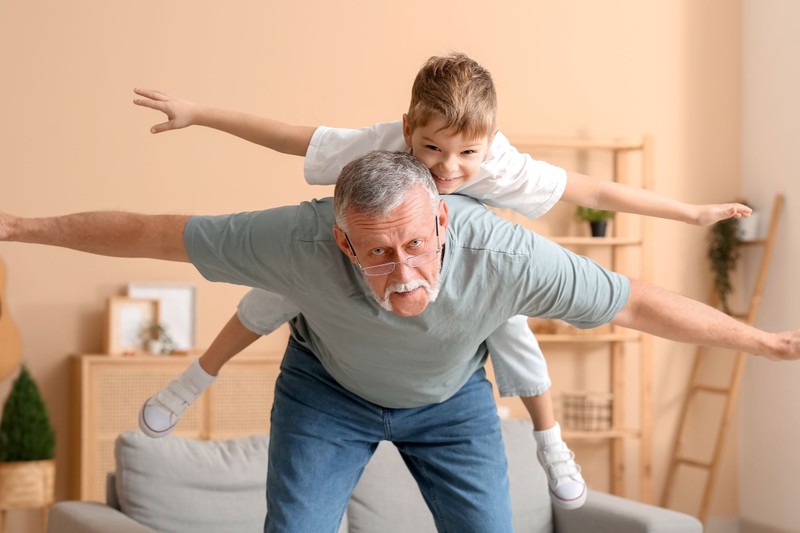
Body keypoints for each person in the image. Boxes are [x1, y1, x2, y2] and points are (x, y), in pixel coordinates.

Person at [1, 150, 796, 532]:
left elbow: (639, 304)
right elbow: (149, 233)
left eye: (416, 244)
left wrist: (763, 343)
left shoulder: (505, 255)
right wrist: (20, 226)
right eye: (377, 251)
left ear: (443, 220)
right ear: (343, 242)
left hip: (453, 403)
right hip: (327, 395)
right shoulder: (295, 241)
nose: (403, 266)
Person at [132, 52, 752, 510]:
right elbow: (292, 137)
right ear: (407, 130)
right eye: (430, 149)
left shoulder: (502, 165)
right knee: (283, 283)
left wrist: (690, 212)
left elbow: (595, 190)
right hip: (354, 272)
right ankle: (195, 380)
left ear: (488, 143)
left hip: (472, 285)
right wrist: (200, 114)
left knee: (515, 335)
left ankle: (551, 440)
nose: (449, 169)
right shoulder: (376, 146)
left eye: (466, 155)